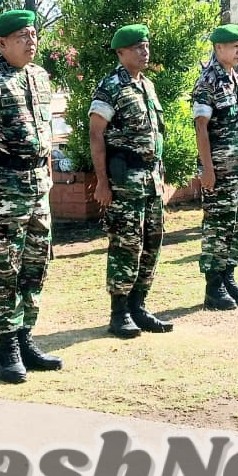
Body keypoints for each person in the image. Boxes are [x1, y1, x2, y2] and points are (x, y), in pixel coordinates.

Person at [0, 9, 63, 384]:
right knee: (5, 270)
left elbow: (46, 132)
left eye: (34, 34)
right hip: (4, 185)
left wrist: (49, 178)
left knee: (36, 266)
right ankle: (6, 351)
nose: (31, 41)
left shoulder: (39, 77)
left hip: (38, 185)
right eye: (22, 36)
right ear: (1, 43)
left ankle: (26, 340)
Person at [89, 24, 173, 339]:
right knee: (126, 245)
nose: (144, 51)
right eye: (137, 47)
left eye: (146, 45)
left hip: (151, 180)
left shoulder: (147, 86)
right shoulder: (111, 86)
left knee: (152, 243)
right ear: (121, 52)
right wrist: (102, 183)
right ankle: (119, 312)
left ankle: (139, 306)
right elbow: (96, 135)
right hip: (124, 182)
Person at [192, 24, 238, 310]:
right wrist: (207, 168)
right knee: (217, 227)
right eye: (233, 46)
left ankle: (228, 277)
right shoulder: (208, 81)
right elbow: (201, 128)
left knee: (237, 225)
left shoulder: (236, 79)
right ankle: (213, 286)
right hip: (219, 170)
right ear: (218, 48)